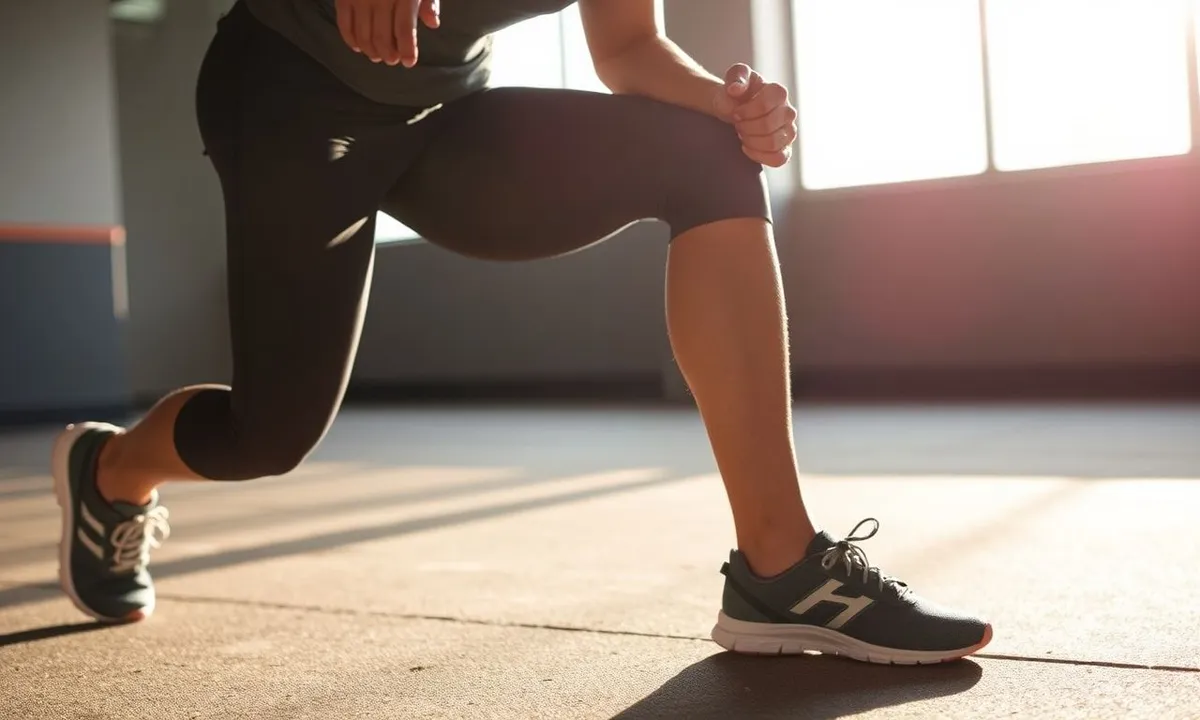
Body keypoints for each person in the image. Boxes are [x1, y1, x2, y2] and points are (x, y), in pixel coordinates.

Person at [52, 0, 992, 664]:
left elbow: (628, 45)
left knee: (708, 157)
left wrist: (725, 101)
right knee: (270, 434)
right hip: (290, 99)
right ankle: (112, 471)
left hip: (440, 112)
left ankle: (780, 568)